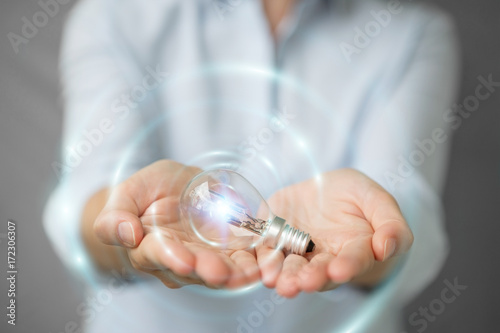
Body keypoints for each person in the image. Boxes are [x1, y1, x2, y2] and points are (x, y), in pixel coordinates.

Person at [44, 0, 460, 332]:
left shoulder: (409, 34)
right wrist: (123, 223)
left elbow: (412, 219)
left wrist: (378, 239)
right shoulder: (115, 13)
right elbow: (86, 197)